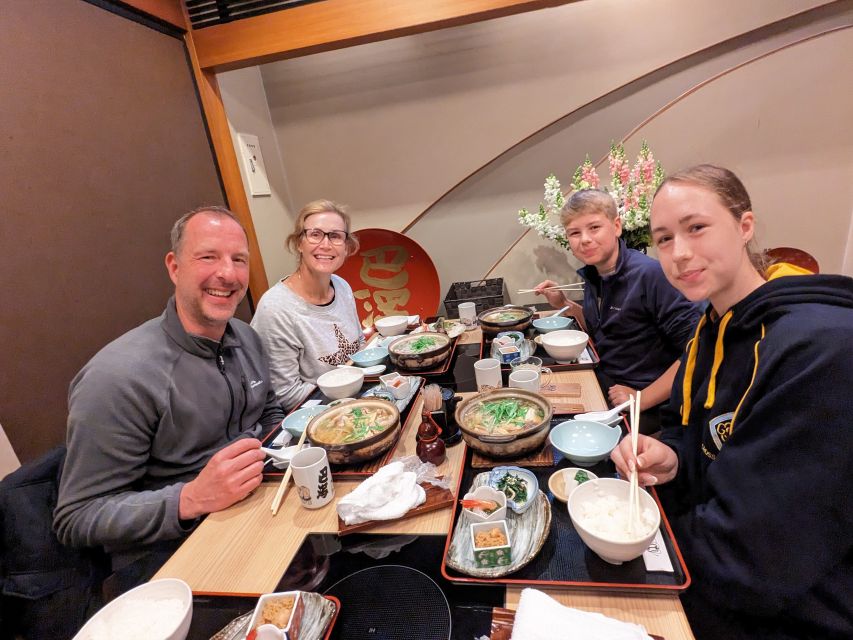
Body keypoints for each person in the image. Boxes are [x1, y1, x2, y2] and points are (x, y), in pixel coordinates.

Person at [611, 165, 853, 639]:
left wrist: (632, 543)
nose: (680, 253)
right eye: (664, 239)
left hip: (790, 609)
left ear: (745, 226)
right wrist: (673, 457)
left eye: (697, 227)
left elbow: (760, 558)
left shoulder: (821, 349)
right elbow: (697, 434)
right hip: (718, 558)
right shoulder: (711, 328)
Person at [54, 206, 285, 574]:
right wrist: (190, 498)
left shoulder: (245, 336)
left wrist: (287, 452)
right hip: (173, 553)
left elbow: (269, 410)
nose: (228, 274)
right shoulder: (117, 377)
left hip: (261, 506)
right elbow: (77, 517)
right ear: (175, 267)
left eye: (239, 259)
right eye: (208, 256)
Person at [535, 189, 700, 430]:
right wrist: (564, 305)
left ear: (616, 226)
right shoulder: (594, 274)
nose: (585, 239)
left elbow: (697, 350)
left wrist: (640, 398)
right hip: (605, 378)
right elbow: (603, 327)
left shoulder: (650, 275)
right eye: (574, 233)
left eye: (594, 227)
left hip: (649, 399)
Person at [251, 200, 364, 410]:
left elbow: (359, 346)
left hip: (359, 394)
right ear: (299, 243)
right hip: (318, 413)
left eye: (335, 236)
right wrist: (350, 406)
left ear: (346, 247)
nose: (326, 245)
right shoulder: (275, 309)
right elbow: (286, 394)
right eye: (315, 234)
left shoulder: (341, 286)